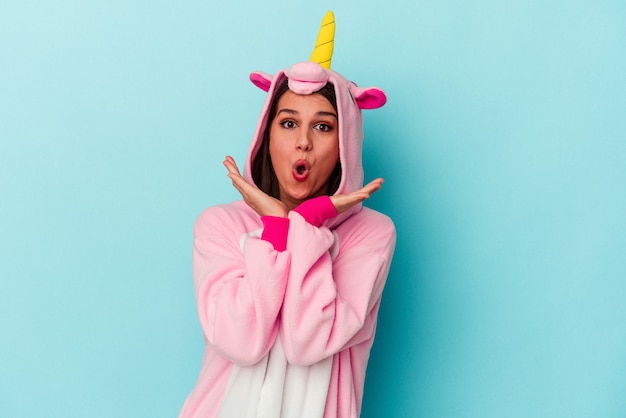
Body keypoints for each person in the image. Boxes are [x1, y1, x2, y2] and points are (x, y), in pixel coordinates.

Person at [179, 11, 396, 418]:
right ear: (267, 133)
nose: (303, 144)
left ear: (345, 141)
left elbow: (306, 343)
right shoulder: (220, 225)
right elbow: (242, 342)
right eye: (289, 122)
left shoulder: (371, 234)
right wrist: (276, 229)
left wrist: (309, 223)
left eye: (323, 127)